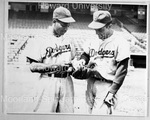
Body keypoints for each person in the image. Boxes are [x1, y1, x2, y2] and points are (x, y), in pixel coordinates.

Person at [72, 10, 130, 115]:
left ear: (109, 26)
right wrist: (82, 60)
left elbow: (123, 69)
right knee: (87, 114)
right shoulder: (92, 40)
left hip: (106, 85)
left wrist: (112, 91)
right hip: (90, 82)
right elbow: (86, 54)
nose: (97, 33)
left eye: (100, 29)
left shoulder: (120, 42)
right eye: (95, 29)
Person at [26, 6, 76, 113]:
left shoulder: (69, 39)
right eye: (63, 25)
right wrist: (55, 67)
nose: (66, 28)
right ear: (54, 21)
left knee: (67, 115)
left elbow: (73, 60)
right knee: (45, 114)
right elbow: (33, 66)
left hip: (66, 82)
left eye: (68, 25)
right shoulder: (40, 38)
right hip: (48, 81)